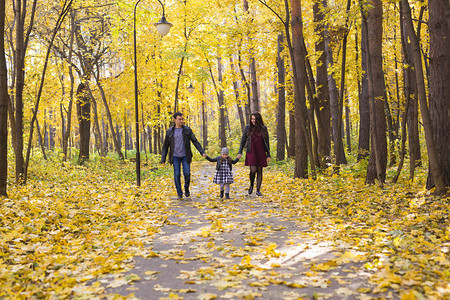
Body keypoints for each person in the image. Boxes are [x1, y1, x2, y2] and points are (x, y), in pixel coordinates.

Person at [161, 112, 207, 199]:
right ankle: (179, 193)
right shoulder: (169, 131)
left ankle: (186, 187)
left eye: (182, 119)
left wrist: (202, 152)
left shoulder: (187, 130)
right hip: (175, 156)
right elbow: (165, 146)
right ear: (175, 120)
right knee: (177, 174)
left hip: (186, 155)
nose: (181, 121)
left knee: (187, 174)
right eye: (179, 119)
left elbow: (195, 141)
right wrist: (163, 158)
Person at [237, 112, 271, 196]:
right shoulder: (248, 128)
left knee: (260, 170)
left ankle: (258, 190)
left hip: (261, 151)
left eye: (254, 119)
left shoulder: (263, 128)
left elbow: (267, 142)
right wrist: (240, 152)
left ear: (258, 119)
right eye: (252, 119)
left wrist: (268, 154)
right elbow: (243, 140)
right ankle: (251, 184)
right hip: (251, 151)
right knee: (253, 170)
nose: (253, 121)